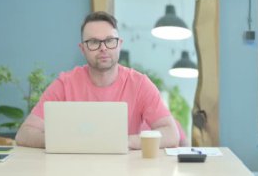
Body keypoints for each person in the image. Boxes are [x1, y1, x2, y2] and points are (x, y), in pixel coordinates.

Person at [15, 11, 180, 149]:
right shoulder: (65, 84)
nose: (103, 48)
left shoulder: (140, 84)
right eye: (93, 42)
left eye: (109, 41)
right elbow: (24, 134)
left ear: (119, 44)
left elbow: (171, 134)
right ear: (83, 48)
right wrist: (63, 141)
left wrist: (127, 141)